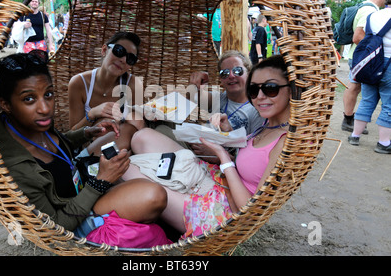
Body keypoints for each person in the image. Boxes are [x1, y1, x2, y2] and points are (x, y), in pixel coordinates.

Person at [0, 50, 167, 242]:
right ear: (6, 104)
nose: (45, 108)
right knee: (154, 195)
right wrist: (100, 182)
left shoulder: (30, 124)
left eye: (48, 94)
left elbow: (56, 144)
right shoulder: (17, 168)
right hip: (74, 215)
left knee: (120, 131)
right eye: (29, 99)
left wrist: (86, 133)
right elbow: (56, 226)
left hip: (82, 179)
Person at [124, 55, 291, 238]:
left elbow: (250, 210)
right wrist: (227, 135)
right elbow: (251, 163)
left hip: (221, 211)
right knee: (142, 137)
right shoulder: (268, 124)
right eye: (254, 90)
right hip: (217, 178)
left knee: (125, 168)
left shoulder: (284, 142)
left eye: (271, 88)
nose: (260, 96)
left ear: (291, 90)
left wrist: (223, 156)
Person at [68, 31, 145, 156]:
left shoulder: (133, 84)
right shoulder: (79, 83)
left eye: (130, 58)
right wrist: (92, 114)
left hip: (123, 149)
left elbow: (138, 128)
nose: (123, 60)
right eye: (119, 51)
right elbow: (71, 136)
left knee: (131, 124)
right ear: (104, 50)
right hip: (90, 148)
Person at [186, 50, 264, 161]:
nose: (231, 76)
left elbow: (252, 161)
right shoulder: (220, 98)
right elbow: (191, 97)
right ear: (221, 79)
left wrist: (218, 155)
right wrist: (196, 83)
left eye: (238, 71)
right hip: (197, 153)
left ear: (249, 73)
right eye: (225, 73)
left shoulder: (256, 110)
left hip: (226, 168)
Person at [341, 0, 391, 133]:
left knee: (359, 91)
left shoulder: (367, 7)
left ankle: (351, 123)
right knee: (355, 88)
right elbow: (358, 36)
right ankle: (348, 119)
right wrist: (377, 50)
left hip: (363, 57)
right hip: (366, 59)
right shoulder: (370, 10)